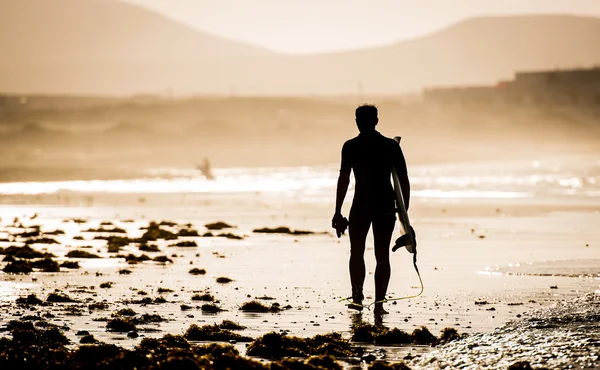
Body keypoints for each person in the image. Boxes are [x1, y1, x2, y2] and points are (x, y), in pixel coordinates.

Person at [332, 104, 410, 314]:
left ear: (360, 122)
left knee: (356, 253)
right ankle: (378, 304)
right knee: (382, 256)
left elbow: (344, 179)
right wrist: (405, 214)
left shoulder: (351, 146)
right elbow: (403, 180)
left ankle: (358, 297)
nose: (360, 123)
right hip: (384, 205)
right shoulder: (389, 146)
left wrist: (338, 211)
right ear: (376, 121)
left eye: (361, 120)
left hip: (361, 205)